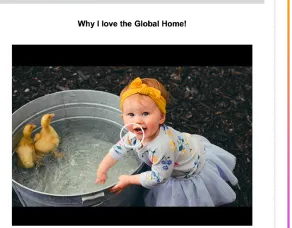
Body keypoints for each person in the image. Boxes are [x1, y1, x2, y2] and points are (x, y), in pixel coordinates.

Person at [96, 77, 238, 205]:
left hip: (187, 169)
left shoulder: (162, 147)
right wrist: (103, 169)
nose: (137, 120)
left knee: (178, 199)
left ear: (161, 117)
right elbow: (117, 150)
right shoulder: (133, 134)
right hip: (182, 149)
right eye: (131, 114)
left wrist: (129, 180)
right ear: (123, 118)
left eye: (145, 113)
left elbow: (158, 177)